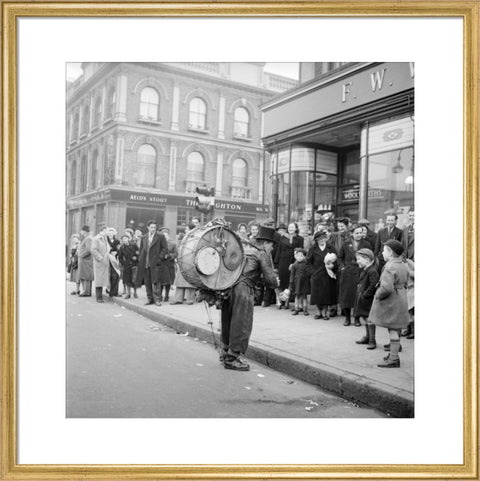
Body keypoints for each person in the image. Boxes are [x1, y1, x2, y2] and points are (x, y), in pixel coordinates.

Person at [220, 226, 279, 371]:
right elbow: (270, 279)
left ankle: (225, 351)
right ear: (265, 243)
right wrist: (277, 284)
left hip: (228, 287)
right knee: (242, 322)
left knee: (228, 320)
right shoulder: (262, 254)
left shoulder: (243, 249)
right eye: (272, 245)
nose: (272, 248)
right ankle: (232, 358)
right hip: (243, 290)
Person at [369, 240, 410, 368]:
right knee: (396, 327)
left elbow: (386, 288)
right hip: (401, 297)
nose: (382, 253)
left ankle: (393, 358)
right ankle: (393, 355)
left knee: (392, 328)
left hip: (391, 300)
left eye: (384, 250)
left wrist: (377, 295)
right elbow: (406, 280)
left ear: (390, 252)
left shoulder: (389, 266)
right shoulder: (403, 264)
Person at [338, 225, 373, 326]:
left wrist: (367, 268)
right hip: (348, 273)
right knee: (347, 296)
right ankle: (347, 318)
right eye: (356, 233)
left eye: (360, 233)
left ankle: (357, 318)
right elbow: (340, 257)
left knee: (358, 295)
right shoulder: (346, 244)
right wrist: (342, 267)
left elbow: (371, 257)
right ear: (352, 234)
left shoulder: (366, 244)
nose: (359, 235)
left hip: (361, 272)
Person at [135, 220, 169, 306]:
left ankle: (157, 299)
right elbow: (142, 250)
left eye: (154, 227)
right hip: (146, 263)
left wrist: (159, 258)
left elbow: (165, 248)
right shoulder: (144, 237)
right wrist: (141, 259)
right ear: (148, 227)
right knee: (147, 282)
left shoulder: (160, 236)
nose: (153, 229)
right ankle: (150, 299)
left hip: (156, 263)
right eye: (151, 227)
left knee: (156, 281)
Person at [306, 230, 337, 320]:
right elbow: (308, 262)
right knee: (316, 294)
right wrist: (312, 272)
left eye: (324, 238)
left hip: (328, 275)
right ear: (316, 240)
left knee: (326, 294)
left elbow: (337, 261)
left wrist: (333, 266)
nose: (322, 240)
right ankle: (318, 312)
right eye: (320, 239)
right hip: (316, 275)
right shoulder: (313, 249)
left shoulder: (331, 248)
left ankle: (324, 313)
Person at [353, 248, 380, 349]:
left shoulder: (372, 271)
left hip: (368, 299)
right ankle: (368, 337)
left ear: (367, 259)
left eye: (359, 259)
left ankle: (372, 340)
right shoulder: (365, 270)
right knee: (365, 317)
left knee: (369, 319)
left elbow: (373, 284)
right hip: (363, 298)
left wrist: (365, 294)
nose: (357, 261)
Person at [274, 222, 304, 309]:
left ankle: (286, 302)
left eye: (292, 227)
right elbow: (279, 250)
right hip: (282, 262)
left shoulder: (300, 239)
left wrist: (296, 262)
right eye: (289, 227)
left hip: (293, 262)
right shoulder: (282, 237)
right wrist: (276, 263)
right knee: (281, 282)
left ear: (296, 228)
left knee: (289, 282)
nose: (290, 229)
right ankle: (280, 301)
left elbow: (300, 251)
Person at [172, 224, 197, 305]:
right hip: (182, 260)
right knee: (180, 281)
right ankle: (178, 299)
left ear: (191, 230)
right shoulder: (185, 237)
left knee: (190, 280)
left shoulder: (195, 238)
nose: (185, 230)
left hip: (190, 261)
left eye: (186, 229)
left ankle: (190, 299)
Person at [91, 225, 110, 303]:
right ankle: (98, 297)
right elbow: (93, 250)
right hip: (99, 262)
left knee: (103, 279)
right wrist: (100, 258)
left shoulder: (105, 239)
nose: (108, 232)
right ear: (103, 230)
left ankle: (101, 296)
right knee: (99, 279)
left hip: (105, 261)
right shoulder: (96, 239)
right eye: (107, 231)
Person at [288, 248, 310, 316]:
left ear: (304, 257)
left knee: (304, 296)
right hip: (296, 282)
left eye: (301, 256)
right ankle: (296, 309)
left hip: (305, 283)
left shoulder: (306, 264)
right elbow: (292, 275)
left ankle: (305, 310)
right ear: (295, 256)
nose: (299, 257)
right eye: (298, 256)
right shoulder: (294, 265)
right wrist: (291, 283)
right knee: (297, 296)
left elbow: (308, 273)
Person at [117, 233, 139, 299]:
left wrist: (136, 257)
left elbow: (139, 253)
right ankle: (128, 293)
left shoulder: (134, 245)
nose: (124, 240)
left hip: (134, 264)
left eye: (125, 238)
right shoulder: (122, 248)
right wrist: (124, 262)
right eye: (123, 239)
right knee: (127, 280)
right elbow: (120, 257)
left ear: (128, 239)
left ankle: (135, 292)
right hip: (127, 265)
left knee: (134, 279)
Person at [159, 227, 178, 302]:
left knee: (168, 282)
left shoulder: (173, 244)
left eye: (166, 235)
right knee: (160, 281)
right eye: (163, 235)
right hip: (161, 264)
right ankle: (160, 295)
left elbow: (176, 254)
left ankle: (166, 295)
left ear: (168, 236)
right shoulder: (159, 243)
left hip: (169, 264)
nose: (165, 237)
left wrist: (170, 256)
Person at [77, 225, 94, 297]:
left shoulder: (88, 239)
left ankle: (86, 292)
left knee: (86, 276)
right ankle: (86, 291)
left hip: (86, 260)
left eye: (81, 230)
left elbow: (88, 250)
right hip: (85, 260)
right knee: (84, 276)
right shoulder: (87, 238)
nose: (80, 232)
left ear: (84, 231)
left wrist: (81, 255)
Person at [106, 227, 121, 297]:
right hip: (107, 260)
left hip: (115, 260)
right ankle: (108, 289)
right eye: (109, 233)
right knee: (108, 275)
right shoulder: (105, 240)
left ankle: (114, 291)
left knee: (115, 275)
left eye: (112, 233)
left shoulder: (117, 241)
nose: (111, 234)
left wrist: (116, 253)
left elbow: (119, 249)